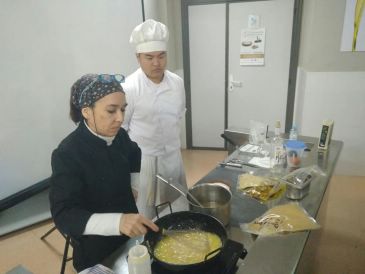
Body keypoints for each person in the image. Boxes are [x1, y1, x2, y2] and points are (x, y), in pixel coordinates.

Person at [49, 74, 158, 273]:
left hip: (128, 238)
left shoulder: (119, 135)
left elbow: (135, 152)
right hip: (95, 250)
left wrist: (134, 185)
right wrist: (118, 221)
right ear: (86, 112)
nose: (120, 118)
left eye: (123, 109)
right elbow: (64, 215)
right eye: (111, 111)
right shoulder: (67, 154)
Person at [122, 19, 187, 218]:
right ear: (138, 57)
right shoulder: (130, 87)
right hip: (144, 161)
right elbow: (122, 130)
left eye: (161, 56)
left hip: (172, 156)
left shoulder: (176, 83)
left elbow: (178, 116)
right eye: (149, 57)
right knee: (146, 213)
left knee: (178, 205)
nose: (156, 63)